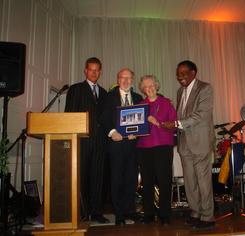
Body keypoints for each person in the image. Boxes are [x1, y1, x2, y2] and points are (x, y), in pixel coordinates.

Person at [162, 60, 215, 230]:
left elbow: (201, 115)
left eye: (184, 73)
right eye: (178, 74)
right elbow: (180, 114)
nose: (180, 77)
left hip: (200, 142)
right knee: (190, 181)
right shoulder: (180, 92)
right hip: (184, 143)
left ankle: (208, 216)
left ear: (194, 72)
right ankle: (195, 212)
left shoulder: (205, 88)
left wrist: (176, 123)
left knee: (203, 181)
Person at [64, 57, 109, 223]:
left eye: (97, 70)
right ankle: (81, 212)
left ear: (100, 72)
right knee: (81, 177)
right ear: (85, 71)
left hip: (100, 143)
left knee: (98, 178)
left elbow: (106, 118)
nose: (94, 72)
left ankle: (96, 212)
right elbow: (69, 115)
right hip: (81, 142)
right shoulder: (75, 89)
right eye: (91, 69)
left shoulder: (104, 93)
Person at [100, 68, 143, 225]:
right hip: (116, 144)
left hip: (133, 145)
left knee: (132, 180)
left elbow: (141, 120)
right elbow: (104, 117)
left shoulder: (138, 98)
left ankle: (129, 210)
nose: (125, 81)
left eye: (129, 78)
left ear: (132, 80)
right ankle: (119, 214)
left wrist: (137, 132)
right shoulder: (109, 96)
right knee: (117, 179)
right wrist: (112, 132)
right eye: (122, 78)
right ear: (118, 80)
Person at [136, 75, 177, 225]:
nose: (149, 88)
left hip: (163, 146)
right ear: (143, 90)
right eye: (146, 86)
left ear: (156, 86)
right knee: (147, 182)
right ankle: (148, 214)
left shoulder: (167, 103)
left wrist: (157, 123)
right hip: (144, 147)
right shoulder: (140, 105)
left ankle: (165, 214)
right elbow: (136, 127)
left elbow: (173, 125)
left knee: (164, 180)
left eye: (152, 85)